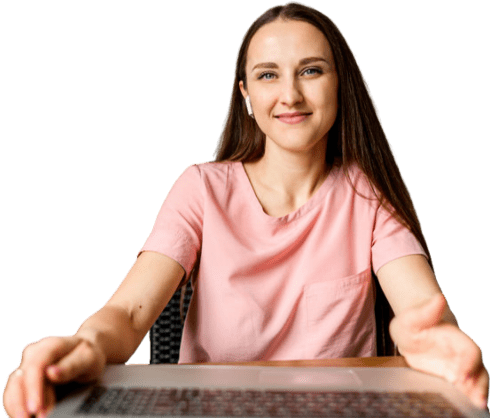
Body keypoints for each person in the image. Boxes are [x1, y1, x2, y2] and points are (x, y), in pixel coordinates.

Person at [3, 2, 488, 416]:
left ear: (340, 85)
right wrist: (87, 344)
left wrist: (440, 342)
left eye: (312, 70)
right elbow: (129, 313)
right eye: (268, 75)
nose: (290, 95)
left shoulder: (367, 195)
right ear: (246, 96)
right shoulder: (200, 188)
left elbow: (423, 312)